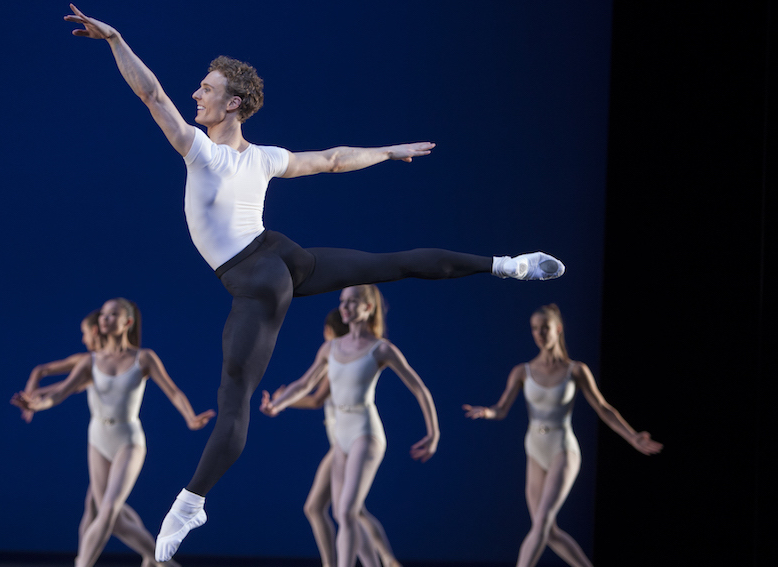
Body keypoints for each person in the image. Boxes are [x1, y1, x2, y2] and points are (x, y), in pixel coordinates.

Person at [62, 6, 565, 560]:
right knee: (387, 264)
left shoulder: (201, 153)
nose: (194, 95)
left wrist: (115, 39)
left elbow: (151, 93)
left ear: (233, 102)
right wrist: (387, 152)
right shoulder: (264, 158)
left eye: (206, 89)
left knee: (236, 402)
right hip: (281, 256)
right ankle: (509, 265)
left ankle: (190, 503)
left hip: (256, 278)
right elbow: (329, 159)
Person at [12, 298, 216, 567]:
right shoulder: (89, 361)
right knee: (114, 518)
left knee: (107, 512)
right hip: (97, 439)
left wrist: (190, 417)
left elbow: (173, 391)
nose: (105, 319)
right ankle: (159, 561)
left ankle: (84, 564)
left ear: (127, 323)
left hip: (128, 441)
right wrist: (36, 404)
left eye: (113, 315)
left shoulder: (143, 358)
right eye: (104, 315)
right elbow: (59, 393)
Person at [462, 304, 662, 567]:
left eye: (544, 328)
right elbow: (501, 410)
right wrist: (487, 412)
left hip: (563, 449)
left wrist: (633, 436)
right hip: (534, 448)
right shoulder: (522, 371)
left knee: (543, 522)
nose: (539, 334)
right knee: (547, 530)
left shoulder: (576, 370)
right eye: (534, 328)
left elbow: (604, 408)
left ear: (557, 329)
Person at [261, 286, 438, 567]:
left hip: (365, 432)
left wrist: (434, 433)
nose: (344, 306)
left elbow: (420, 389)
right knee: (345, 514)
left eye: (352, 301)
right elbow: (305, 383)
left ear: (368, 308)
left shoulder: (381, 349)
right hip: (339, 435)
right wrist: (278, 404)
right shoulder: (330, 347)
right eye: (342, 301)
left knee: (346, 512)